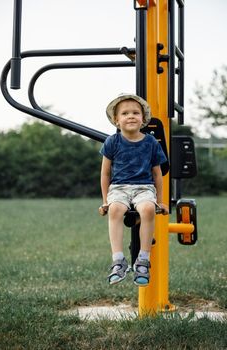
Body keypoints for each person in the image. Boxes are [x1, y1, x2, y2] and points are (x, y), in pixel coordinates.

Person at [99, 93, 169, 287]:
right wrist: (106, 200)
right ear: (117, 120)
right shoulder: (112, 142)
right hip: (119, 188)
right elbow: (105, 173)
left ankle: (143, 260)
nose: (131, 116)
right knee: (115, 210)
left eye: (135, 113)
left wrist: (160, 201)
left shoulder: (151, 143)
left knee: (147, 209)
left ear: (143, 119)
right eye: (125, 113)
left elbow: (157, 174)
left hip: (144, 188)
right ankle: (118, 260)